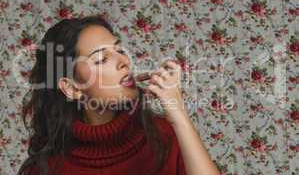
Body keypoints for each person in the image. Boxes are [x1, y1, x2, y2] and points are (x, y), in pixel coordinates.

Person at [17, 15, 220, 175]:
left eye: (119, 49)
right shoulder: (47, 168)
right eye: (101, 59)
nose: (124, 61)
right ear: (72, 88)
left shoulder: (164, 136)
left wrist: (179, 116)